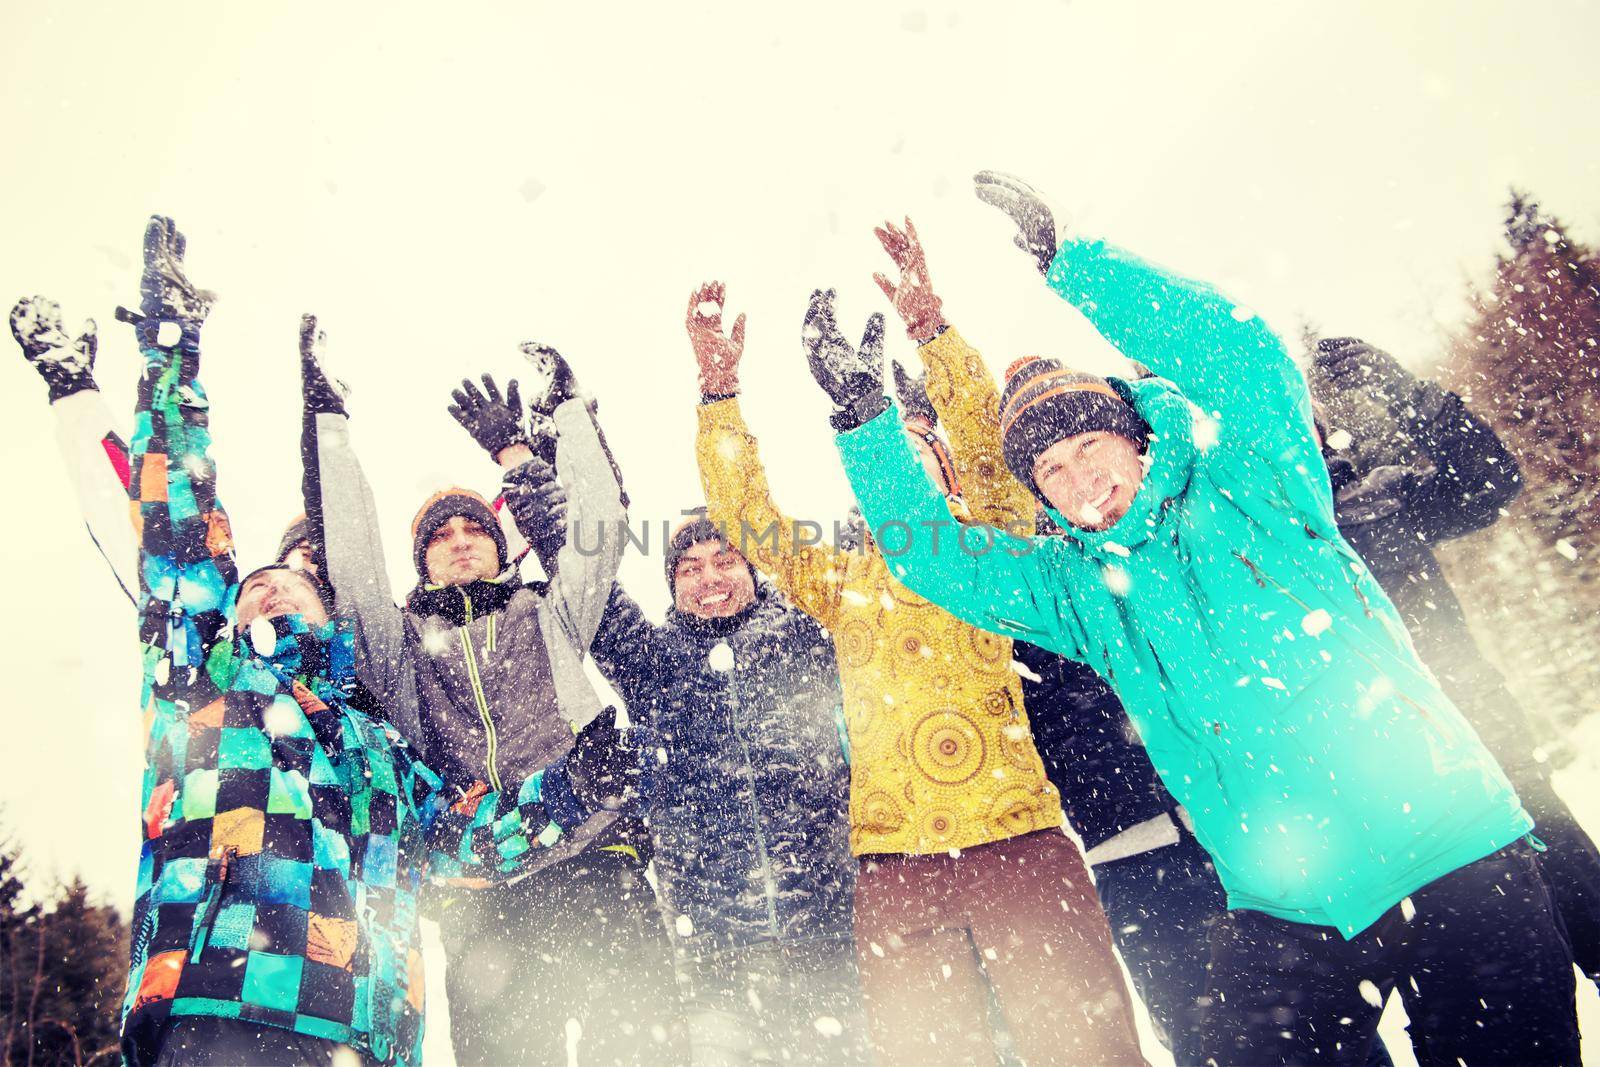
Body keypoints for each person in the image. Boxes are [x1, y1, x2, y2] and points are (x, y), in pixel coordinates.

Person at [814, 174, 1581, 1066]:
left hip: (1455, 853)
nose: (1079, 478)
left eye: (1090, 446)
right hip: (1294, 906)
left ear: (1135, 436)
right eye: (1051, 469)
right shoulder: (1078, 590)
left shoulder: (1259, 482)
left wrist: (1076, 264)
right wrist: (861, 421)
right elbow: (934, 558)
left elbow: (1244, 354)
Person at [16, 216, 643, 1067]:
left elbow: (460, 838)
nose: (268, 581)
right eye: (251, 581)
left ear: (332, 608)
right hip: (222, 1001)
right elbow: (165, 520)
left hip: (366, 1031)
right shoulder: (208, 677)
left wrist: (575, 786)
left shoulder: (376, 743)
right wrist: (166, 354)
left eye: (296, 577)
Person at [687, 280, 1145, 1066]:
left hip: (1021, 845)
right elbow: (745, 515)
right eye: (883, 465)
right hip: (895, 869)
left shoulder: (992, 549)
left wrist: (933, 328)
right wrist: (718, 393)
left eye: (917, 455)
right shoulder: (837, 582)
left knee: (1087, 1050)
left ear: (948, 474)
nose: (899, 473)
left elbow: (993, 452)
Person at [297, 320, 680, 1065]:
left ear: (500, 547)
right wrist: (329, 425)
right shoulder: (400, 644)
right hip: (485, 893)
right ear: (425, 560)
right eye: (442, 534)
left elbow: (599, 528)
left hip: (597, 860)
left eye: (477, 527)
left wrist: (567, 415)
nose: (463, 538)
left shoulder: (549, 610)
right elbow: (352, 561)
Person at [512, 449, 864, 1066]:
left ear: (755, 570)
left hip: (832, 938)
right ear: (672, 584)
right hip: (714, 953)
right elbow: (587, 576)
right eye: (691, 568)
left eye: (726, 560)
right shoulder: (653, 661)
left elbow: (871, 560)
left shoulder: (810, 635)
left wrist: (899, 435)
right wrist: (536, 474)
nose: (710, 579)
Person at [1315, 337, 1600, 989]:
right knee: (1506, 997)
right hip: (1405, 806)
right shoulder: (1262, 537)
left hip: (1493, 749)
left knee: (1586, 913)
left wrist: (1414, 398)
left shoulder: (1379, 498)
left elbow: (1490, 484)